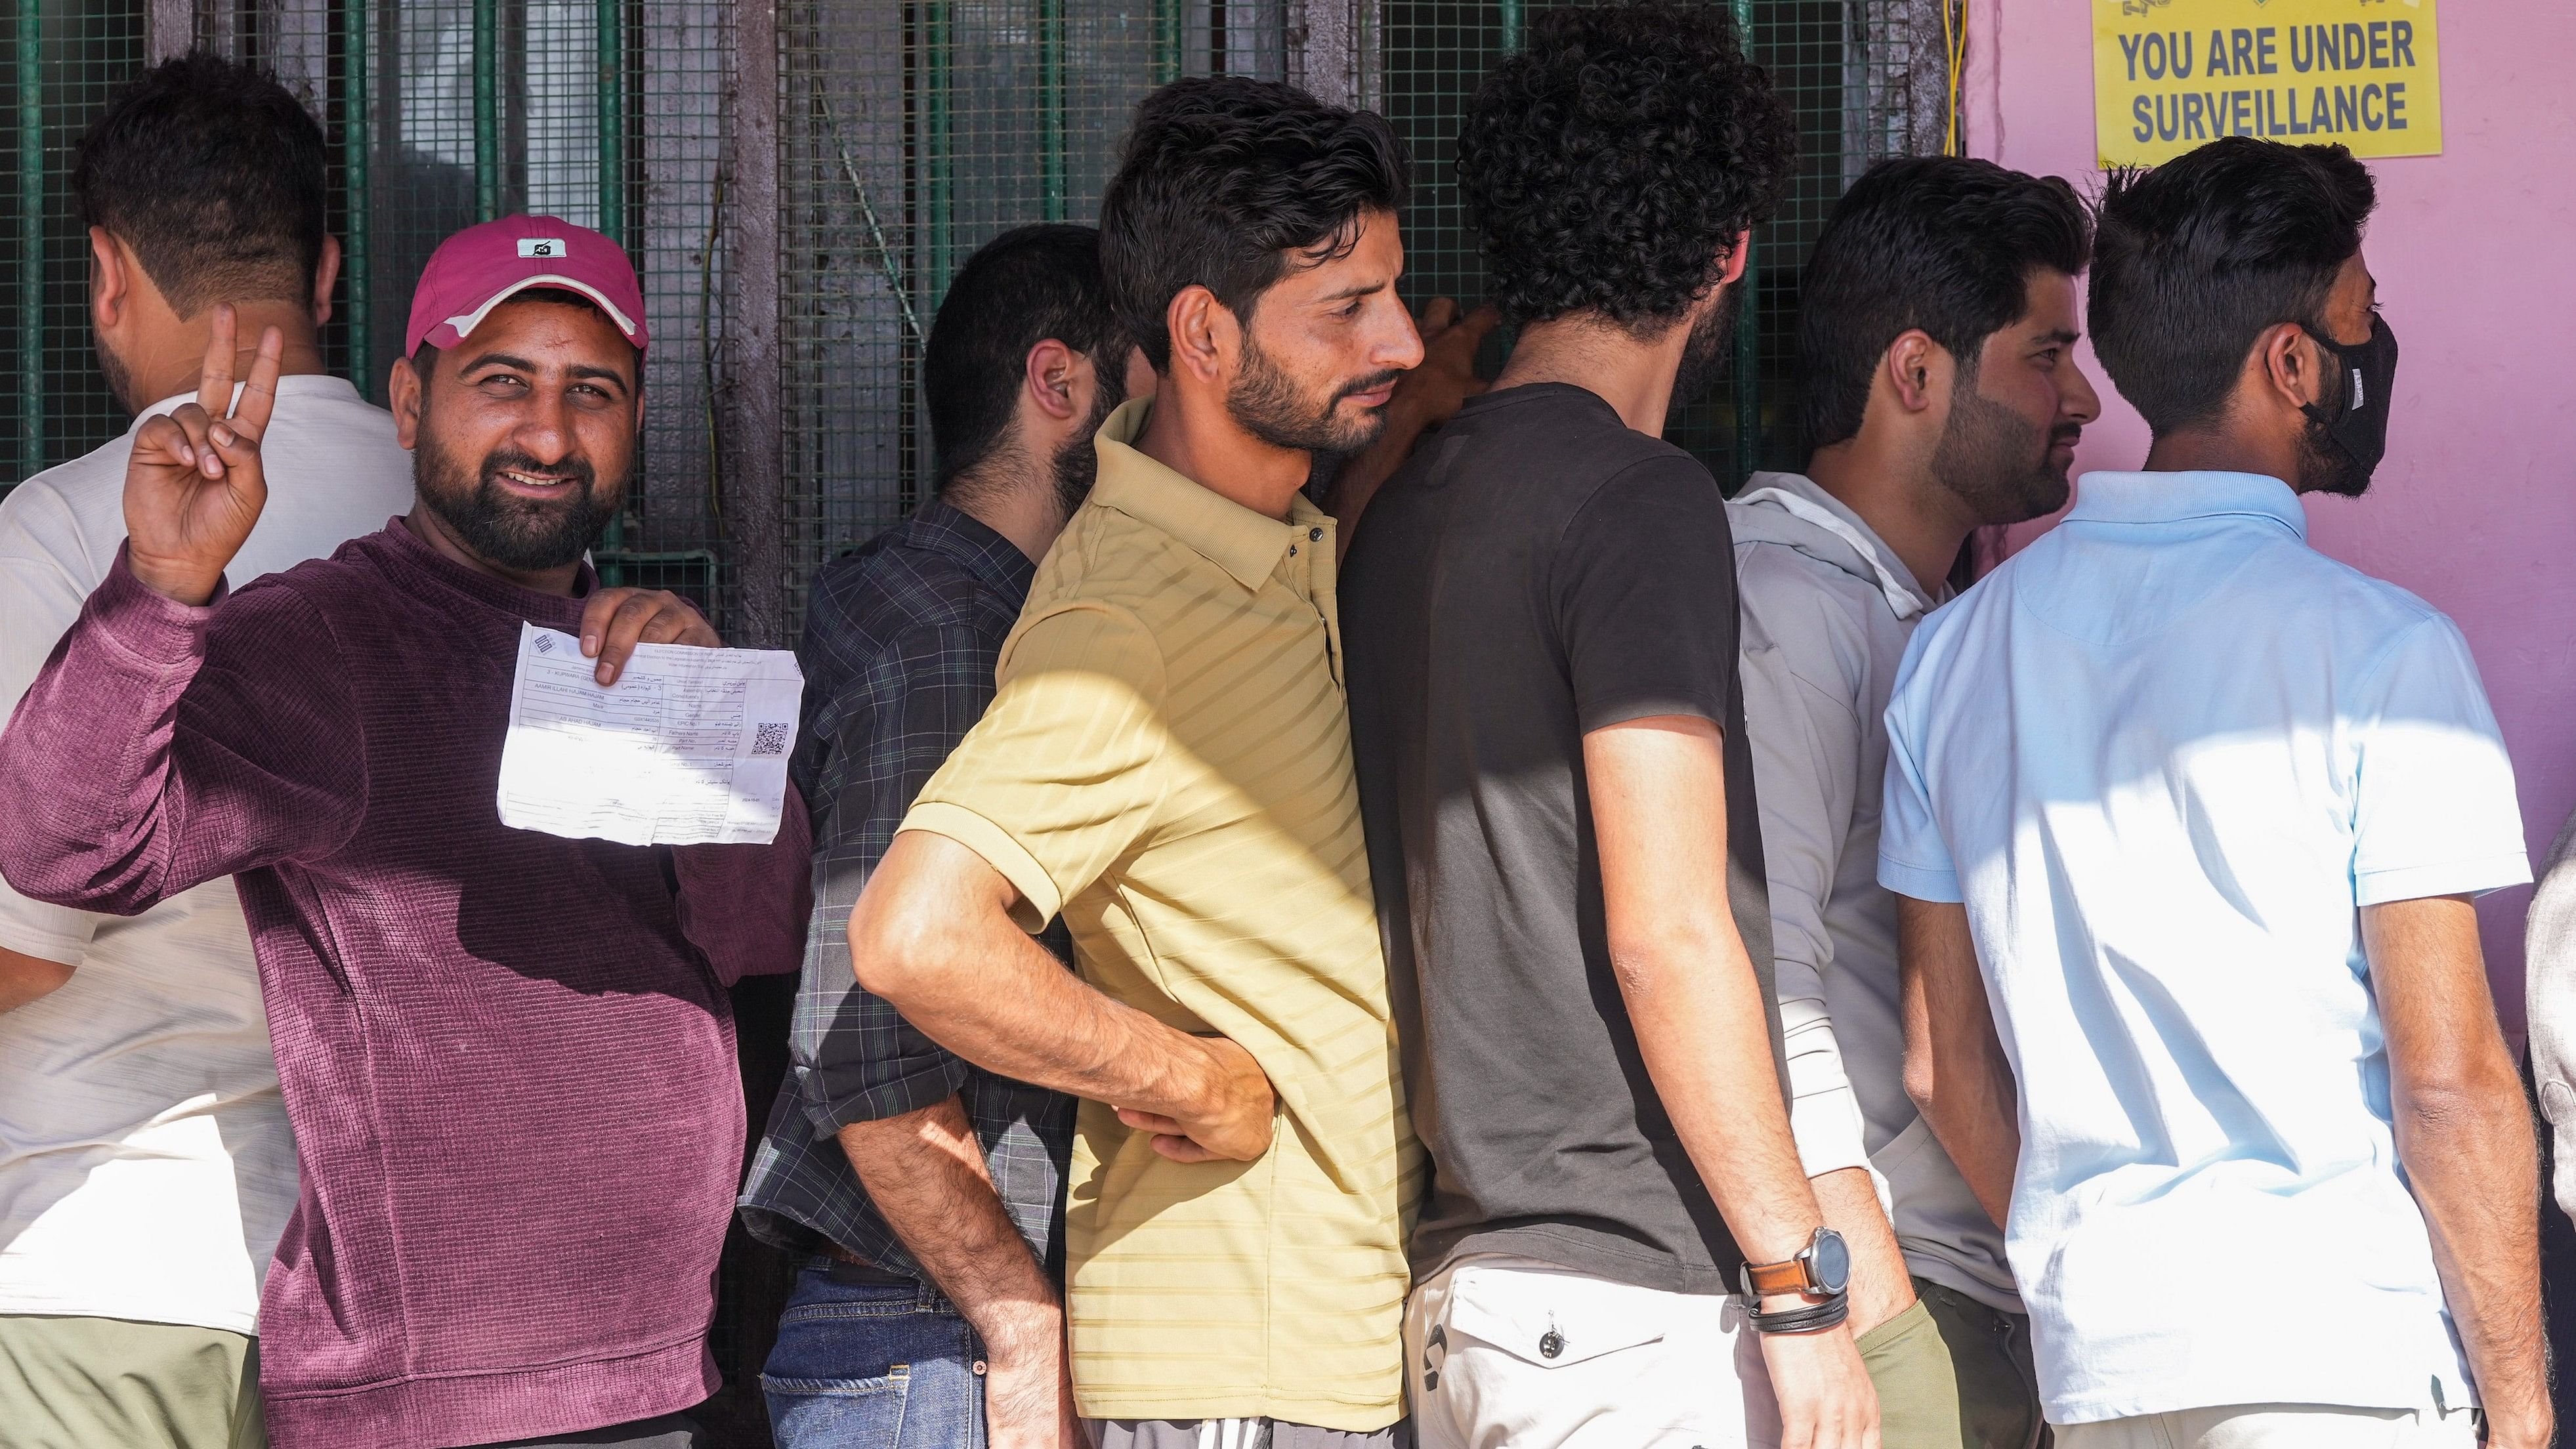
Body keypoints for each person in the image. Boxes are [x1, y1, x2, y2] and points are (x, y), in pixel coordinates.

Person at [0, 215, 809, 1449]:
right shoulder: (326, 639)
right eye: (503, 383)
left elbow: (761, 936)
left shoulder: (629, 647)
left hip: (662, 1372)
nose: (547, 433)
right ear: (409, 399)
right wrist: (159, 590)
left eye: (591, 393)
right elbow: (62, 849)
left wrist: (704, 721)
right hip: (442, 1403)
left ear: (635, 424)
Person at [1884, 136, 2548, 1449]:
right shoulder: (2383, 656)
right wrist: (2521, 1405)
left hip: (2098, 1369)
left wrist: (2100, 1284)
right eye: (2357, 323)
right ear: (2289, 364)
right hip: (2337, 1364)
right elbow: (2451, 1086)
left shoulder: (1953, 655)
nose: (2370, 359)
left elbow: (1938, 1059)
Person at [843, 75, 1424, 1448]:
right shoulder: (1127, 619)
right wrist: (1179, 1077)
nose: (1397, 336)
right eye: (1344, 308)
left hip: (1323, 1347)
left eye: (1393, 290)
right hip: (1237, 1370)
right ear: (1206, 334)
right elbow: (913, 936)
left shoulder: (1272, 542)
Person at [1341, 5, 1886, 1446]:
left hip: (1467, 1293)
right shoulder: (1642, 502)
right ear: (1726, 257)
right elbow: (1669, 926)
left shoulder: (1397, 513)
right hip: (1634, 1305)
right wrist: (1796, 1288)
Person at [0, 52, 413, 1449]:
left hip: (105, 1266)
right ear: (333, 272)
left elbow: (17, 944)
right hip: (387, 1293)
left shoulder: (59, 533)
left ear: (108, 276)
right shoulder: (466, 521)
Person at [735, 222, 1150, 1448]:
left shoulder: (925, 596)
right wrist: (1019, 1326)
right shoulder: (957, 637)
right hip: (931, 1349)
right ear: (1060, 385)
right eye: (1154, 394)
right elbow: (862, 1043)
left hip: (917, 1347)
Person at [1729, 155, 2100, 1449]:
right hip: (1891, 1304)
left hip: (1973, 1293)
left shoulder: (1922, 619)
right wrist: (1872, 1329)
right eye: (2044, 356)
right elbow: (1757, 996)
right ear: (1914, 373)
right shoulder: (1779, 605)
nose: (2082, 397)